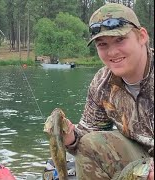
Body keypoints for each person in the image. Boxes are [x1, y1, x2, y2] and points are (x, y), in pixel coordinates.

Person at [61, 3, 154, 180]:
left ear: (142, 36)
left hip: (143, 167)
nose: (112, 52)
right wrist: (70, 137)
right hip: (140, 162)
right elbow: (87, 137)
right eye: (102, 44)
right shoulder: (102, 83)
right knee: (91, 144)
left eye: (120, 40)